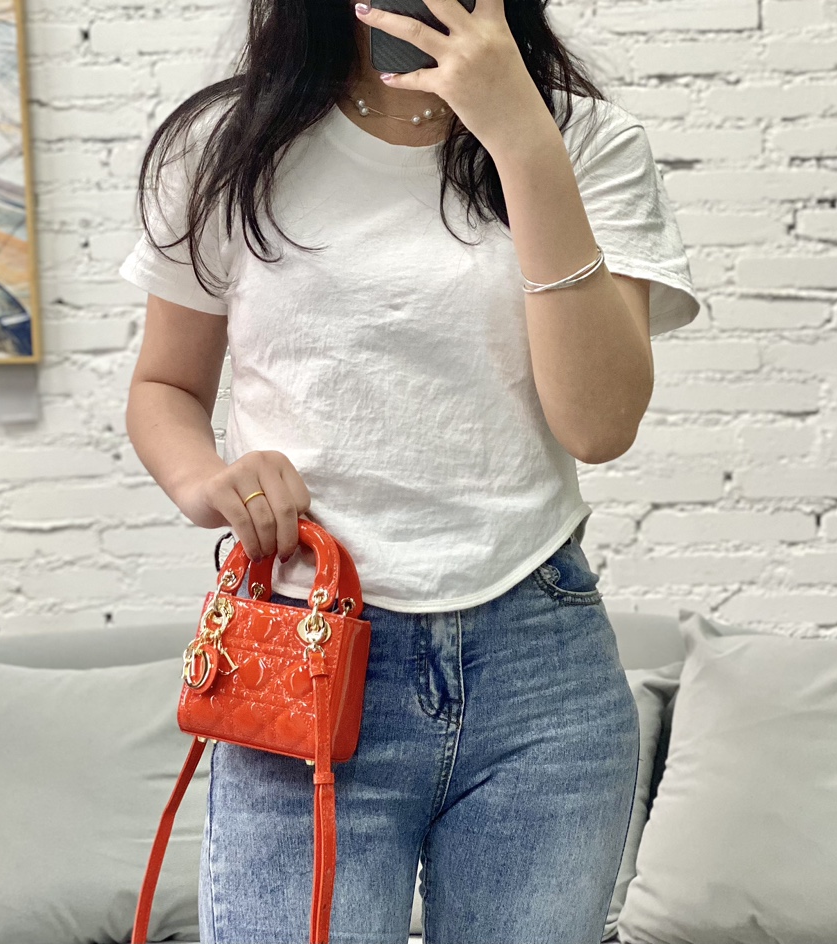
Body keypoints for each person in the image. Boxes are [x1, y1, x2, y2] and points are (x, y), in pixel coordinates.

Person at [122, 0, 701, 940]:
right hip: (303, 650)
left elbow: (598, 425)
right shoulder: (230, 143)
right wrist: (207, 482)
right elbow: (164, 387)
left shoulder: (587, 140)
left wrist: (520, 135)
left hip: (538, 667)